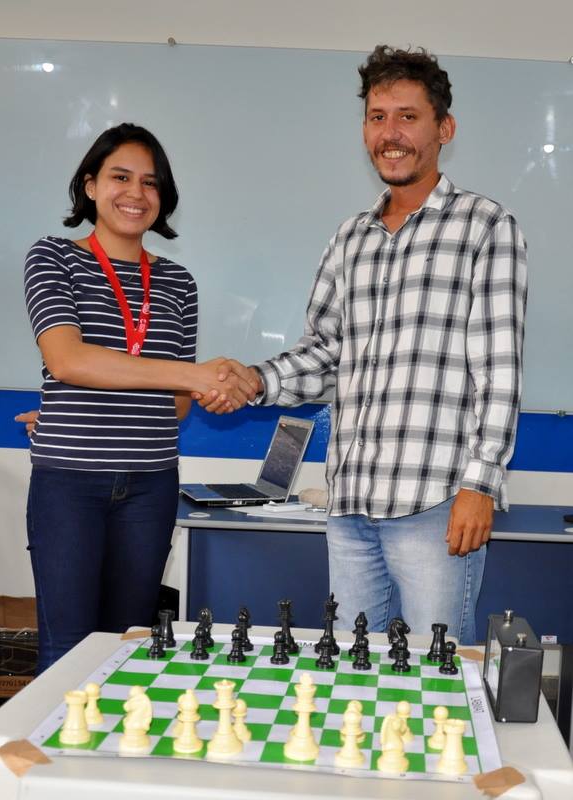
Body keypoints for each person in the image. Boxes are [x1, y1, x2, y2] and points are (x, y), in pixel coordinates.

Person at [195, 46, 528, 644]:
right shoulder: (350, 237)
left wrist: (481, 485)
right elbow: (327, 354)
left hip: (435, 504)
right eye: (377, 117)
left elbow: (498, 371)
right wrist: (255, 380)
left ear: (444, 128)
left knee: (433, 671)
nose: (389, 133)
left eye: (407, 116)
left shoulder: (485, 226)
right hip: (349, 506)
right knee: (351, 667)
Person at [21, 123, 257, 672]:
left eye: (150, 183)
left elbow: (176, 404)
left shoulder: (178, 282)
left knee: (128, 646)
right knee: (67, 650)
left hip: (151, 486)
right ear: (90, 186)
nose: (136, 193)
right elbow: (67, 359)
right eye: (120, 177)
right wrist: (194, 375)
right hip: (70, 484)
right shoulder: (53, 258)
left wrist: (198, 385)